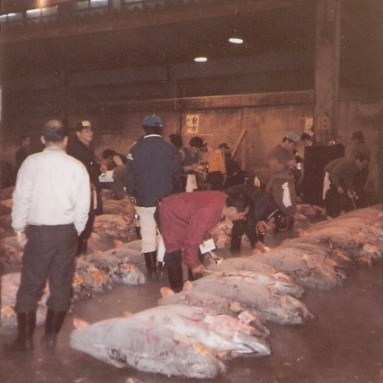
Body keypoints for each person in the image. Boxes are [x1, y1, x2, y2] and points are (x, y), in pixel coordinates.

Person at [7, 119, 90, 353]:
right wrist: (76, 230)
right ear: (66, 140)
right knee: (61, 284)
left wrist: (18, 228)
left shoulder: (31, 163)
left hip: (39, 233)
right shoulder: (76, 166)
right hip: (66, 231)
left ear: (42, 139)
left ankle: (24, 341)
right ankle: (51, 337)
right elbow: (84, 205)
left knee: (31, 284)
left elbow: (21, 197)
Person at [156, 190, 251, 292]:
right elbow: (192, 240)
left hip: (184, 214)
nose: (243, 217)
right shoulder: (207, 213)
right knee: (175, 251)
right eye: (242, 214)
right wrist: (195, 264)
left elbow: (202, 230)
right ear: (232, 210)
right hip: (169, 213)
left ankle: (193, 284)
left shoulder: (223, 201)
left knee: (195, 249)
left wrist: (213, 237)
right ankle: (177, 292)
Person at [126, 114, 181, 280]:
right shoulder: (170, 149)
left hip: (144, 200)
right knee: (165, 234)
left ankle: (151, 270)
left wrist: (134, 193)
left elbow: (130, 177)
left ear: (144, 129)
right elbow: (177, 175)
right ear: (161, 129)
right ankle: (162, 265)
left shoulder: (134, 149)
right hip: (165, 200)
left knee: (148, 234)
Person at [67, 120, 102, 255]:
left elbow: (91, 168)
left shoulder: (87, 148)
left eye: (90, 130)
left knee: (87, 223)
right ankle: (76, 255)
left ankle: (81, 255)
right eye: (86, 131)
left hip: (90, 191)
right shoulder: (75, 149)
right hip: (82, 192)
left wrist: (100, 167)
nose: (90, 133)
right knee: (82, 224)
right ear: (78, 133)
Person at [226, 182, 291, 253]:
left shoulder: (274, 208)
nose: (272, 229)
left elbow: (258, 216)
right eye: (274, 227)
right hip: (235, 195)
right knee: (240, 224)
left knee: (259, 227)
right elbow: (249, 226)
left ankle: (254, 248)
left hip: (248, 197)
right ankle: (235, 252)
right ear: (272, 220)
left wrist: (260, 223)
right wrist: (256, 242)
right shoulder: (260, 210)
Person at [266, 132, 300, 227]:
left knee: (291, 206)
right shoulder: (275, 152)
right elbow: (274, 167)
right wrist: (287, 164)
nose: (293, 148)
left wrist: (296, 166)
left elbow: (293, 166)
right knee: (282, 206)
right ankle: (280, 229)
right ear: (287, 142)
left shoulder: (289, 153)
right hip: (279, 183)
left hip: (289, 183)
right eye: (293, 145)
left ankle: (289, 227)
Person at [323, 153, 370, 217]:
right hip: (330, 172)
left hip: (339, 175)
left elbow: (349, 179)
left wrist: (351, 189)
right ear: (358, 161)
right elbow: (334, 174)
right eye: (363, 164)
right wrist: (338, 186)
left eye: (366, 165)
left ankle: (339, 211)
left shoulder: (356, 168)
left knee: (343, 192)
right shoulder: (347, 164)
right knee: (333, 191)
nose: (364, 167)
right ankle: (328, 212)